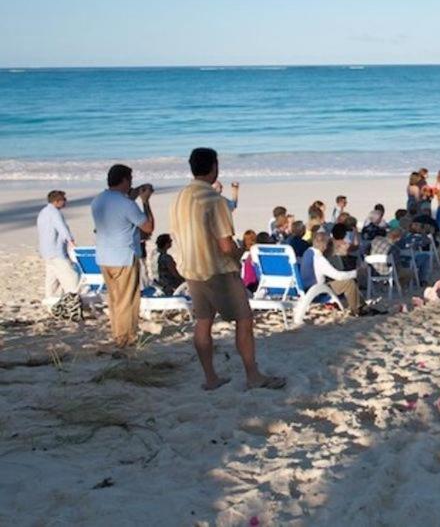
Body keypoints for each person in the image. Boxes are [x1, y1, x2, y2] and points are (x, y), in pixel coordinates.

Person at [169, 147, 284, 390]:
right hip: (218, 270)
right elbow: (225, 244)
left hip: (191, 267)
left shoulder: (180, 197)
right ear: (214, 167)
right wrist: (240, 251)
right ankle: (253, 375)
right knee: (244, 320)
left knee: (203, 321)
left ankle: (210, 378)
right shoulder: (215, 200)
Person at [92, 164, 154, 348]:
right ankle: (126, 339)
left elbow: (117, 212)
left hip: (104, 256)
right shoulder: (127, 204)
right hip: (123, 256)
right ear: (125, 180)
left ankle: (118, 334)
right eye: (130, 180)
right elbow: (148, 227)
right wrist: (145, 201)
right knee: (128, 300)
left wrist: (133, 196)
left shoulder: (98, 200)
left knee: (115, 300)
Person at [300, 232, 365, 316]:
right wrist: (356, 273)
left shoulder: (308, 252)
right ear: (325, 246)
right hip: (318, 291)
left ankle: (362, 306)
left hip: (307, 287)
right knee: (349, 283)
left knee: (343, 282)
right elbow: (339, 276)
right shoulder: (319, 258)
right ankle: (356, 310)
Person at [37, 190, 80, 300]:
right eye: (64, 200)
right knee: (72, 277)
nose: (65, 202)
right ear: (57, 201)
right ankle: (73, 300)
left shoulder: (43, 212)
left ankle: (50, 300)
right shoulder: (55, 213)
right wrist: (71, 241)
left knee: (52, 278)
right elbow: (61, 228)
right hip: (56, 251)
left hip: (46, 251)